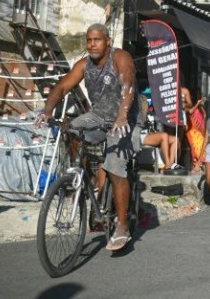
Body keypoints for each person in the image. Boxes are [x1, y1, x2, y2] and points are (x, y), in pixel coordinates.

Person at [36, 23, 139, 252]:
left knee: (114, 166)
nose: (92, 44)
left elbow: (128, 84)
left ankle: (122, 225)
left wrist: (122, 116)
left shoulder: (120, 58)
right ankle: (84, 175)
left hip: (127, 119)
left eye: (97, 40)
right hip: (98, 116)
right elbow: (62, 87)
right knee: (70, 128)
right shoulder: (84, 65)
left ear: (108, 42)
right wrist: (47, 110)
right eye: (89, 40)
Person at [182, 86, 206, 173]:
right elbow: (190, 112)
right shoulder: (189, 106)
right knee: (194, 148)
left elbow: (203, 120)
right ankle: (195, 164)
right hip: (192, 131)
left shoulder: (201, 108)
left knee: (200, 148)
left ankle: (199, 164)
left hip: (200, 131)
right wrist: (197, 104)